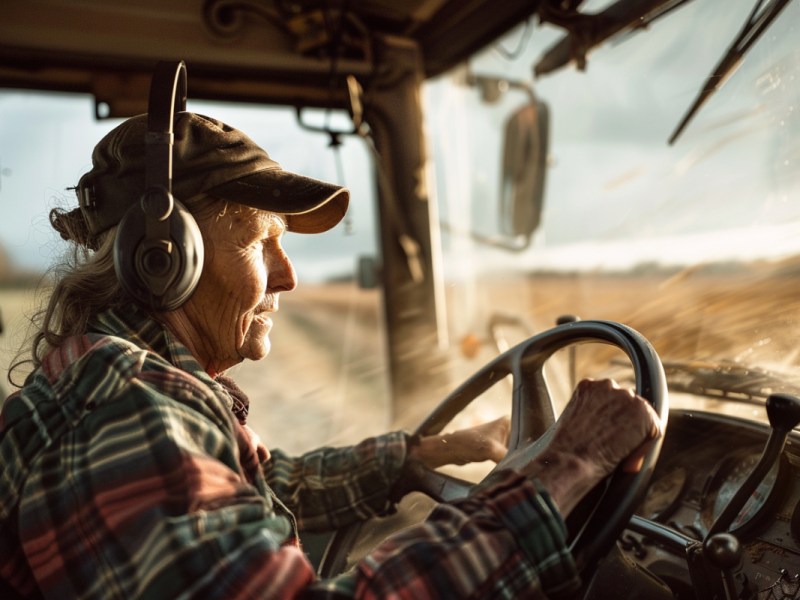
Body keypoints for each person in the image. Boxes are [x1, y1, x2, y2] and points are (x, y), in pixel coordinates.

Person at [0, 111, 660, 599]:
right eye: (263, 243)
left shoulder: (117, 388)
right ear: (166, 258)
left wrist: (422, 458)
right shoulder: (127, 408)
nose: (287, 277)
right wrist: (563, 468)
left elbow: (255, 487)